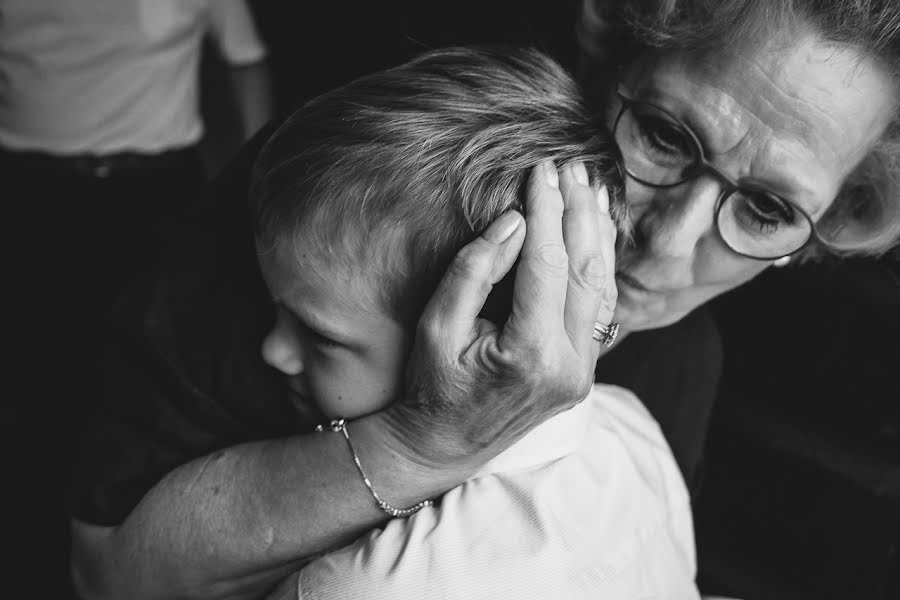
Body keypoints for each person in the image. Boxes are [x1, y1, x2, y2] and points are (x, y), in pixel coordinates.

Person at [69, 0, 900, 598]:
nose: (669, 246)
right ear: (609, 54)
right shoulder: (349, 216)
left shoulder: (681, 364)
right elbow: (106, 574)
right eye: (666, 135)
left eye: (766, 210)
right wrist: (422, 445)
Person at [241, 46, 696, 599]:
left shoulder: (363, 587)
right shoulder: (634, 430)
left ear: (475, 340)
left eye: (320, 337)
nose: (273, 351)